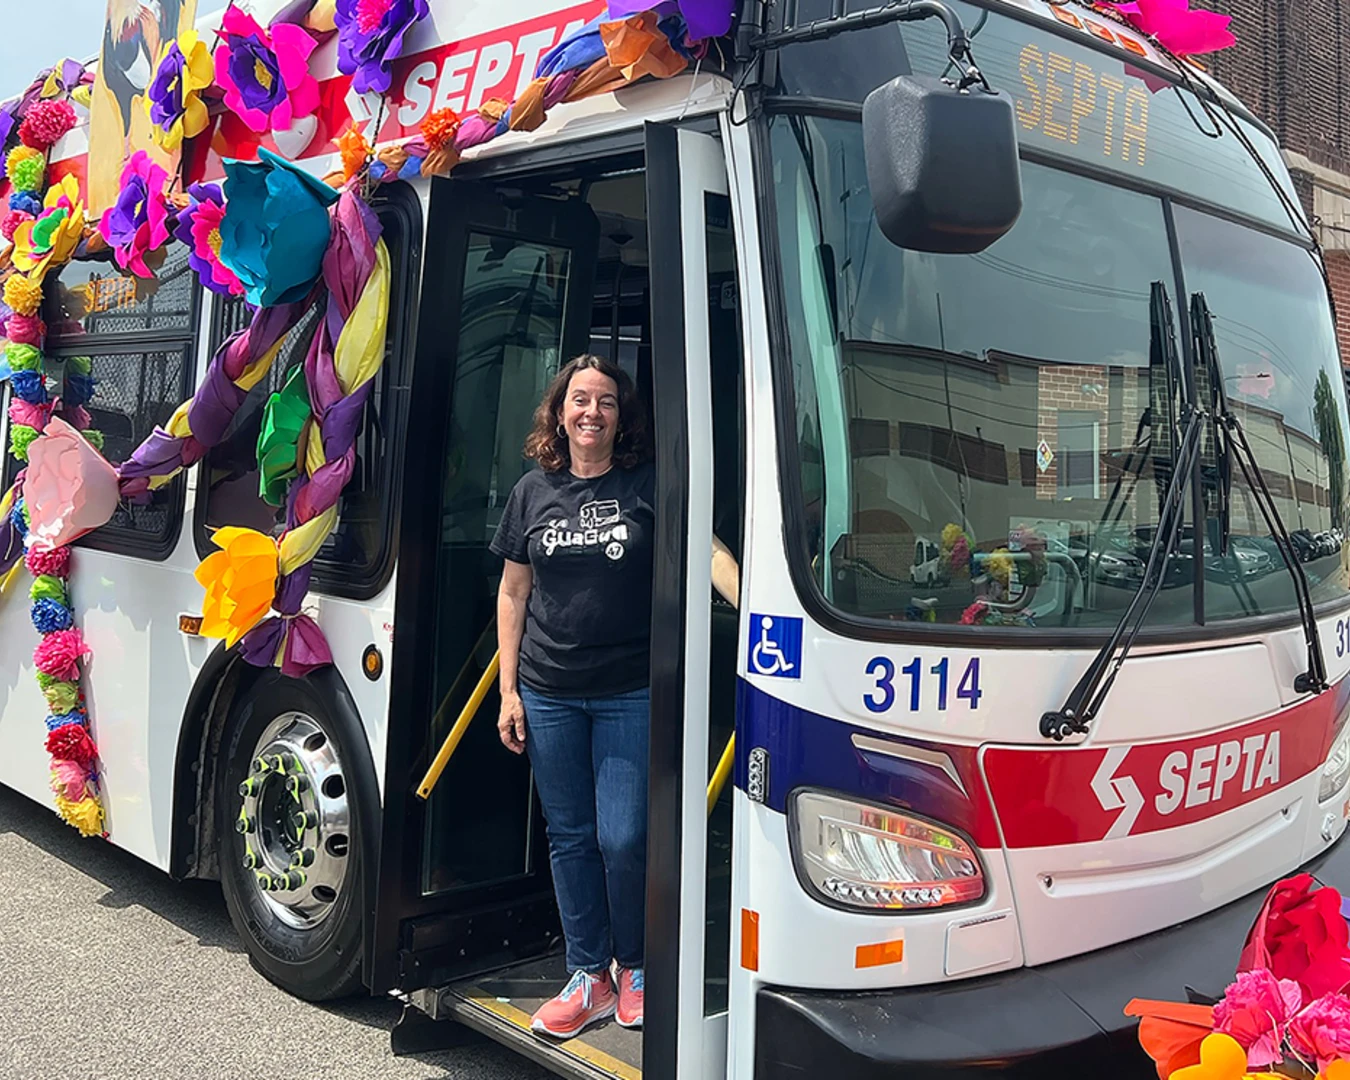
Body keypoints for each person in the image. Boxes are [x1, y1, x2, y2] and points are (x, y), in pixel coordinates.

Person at [491, 353, 738, 1040]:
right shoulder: (532, 492)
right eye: (579, 400)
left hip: (628, 691)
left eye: (604, 401)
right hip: (548, 692)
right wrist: (509, 690)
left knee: (624, 838)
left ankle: (635, 967)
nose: (591, 412)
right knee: (569, 838)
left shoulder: (647, 485)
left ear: (620, 417)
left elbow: (707, 551)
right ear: (559, 413)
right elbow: (513, 592)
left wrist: (760, 610)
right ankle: (588, 976)